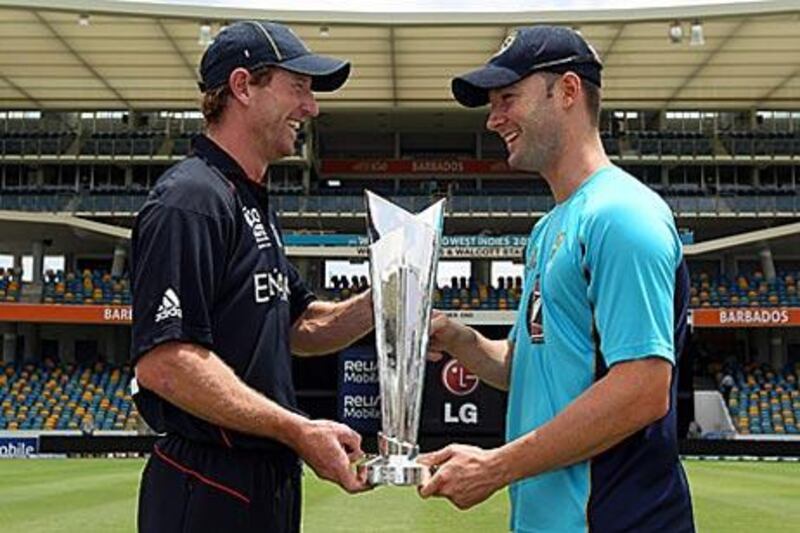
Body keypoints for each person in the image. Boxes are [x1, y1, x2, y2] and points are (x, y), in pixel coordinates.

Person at [419, 26, 695, 532]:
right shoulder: (549, 229)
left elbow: (643, 388)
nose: (494, 118)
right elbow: (530, 368)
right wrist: (460, 340)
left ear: (568, 91)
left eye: (508, 98)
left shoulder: (622, 215)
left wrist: (496, 466)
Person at [130, 21, 373, 533]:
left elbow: (300, 326)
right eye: (299, 88)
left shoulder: (247, 199)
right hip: (209, 480)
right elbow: (165, 362)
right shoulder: (191, 199)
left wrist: (394, 298)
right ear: (243, 87)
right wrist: (296, 428)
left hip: (263, 477)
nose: (312, 107)